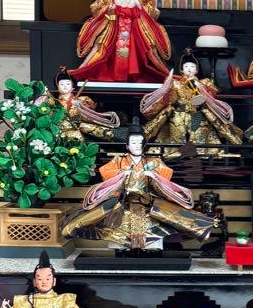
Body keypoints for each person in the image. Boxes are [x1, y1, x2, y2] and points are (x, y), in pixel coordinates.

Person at [61, 126, 213, 252]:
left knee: (164, 225)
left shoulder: (154, 162)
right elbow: (105, 172)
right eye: (133, 143)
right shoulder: (118, 161)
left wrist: (155, 177)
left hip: (148, 203)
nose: (137, 146)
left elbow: (165, 179)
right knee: (112, 229)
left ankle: (151, 252)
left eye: (140, 142)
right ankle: (120, 252)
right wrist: (121, 174)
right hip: (122, 204)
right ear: (127, 146)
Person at [69, 0, 171, 84]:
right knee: (100, 45)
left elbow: (154, 10)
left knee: (148, 46)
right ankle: (86, 70)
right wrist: (108, 8)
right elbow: (95, 7)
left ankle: (145, 74)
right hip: (114, 25)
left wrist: (141, 7)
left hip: (134, 26)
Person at [140, 50, 242, 154]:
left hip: (196, 113)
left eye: (192, 66)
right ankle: (176, 155)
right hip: (178, 113)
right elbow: (170, 99)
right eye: (186, 66)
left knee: (199, 136)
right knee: (177, 135)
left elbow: (212, 94)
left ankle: (198, 156)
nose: (189, 69)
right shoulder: (175, 83)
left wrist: (199, 87)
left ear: (197, 70)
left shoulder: (204, 83)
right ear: (181, 69)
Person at [38, 68, 119, 143]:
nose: (65, 86)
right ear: (57, 87)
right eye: (61, 84)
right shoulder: (54, 102)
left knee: (104, 133)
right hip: (60, 128)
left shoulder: (82, 100)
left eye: (68, 84)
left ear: (73, 86)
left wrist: (80, 106)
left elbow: (89, 114)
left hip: (78, 125)